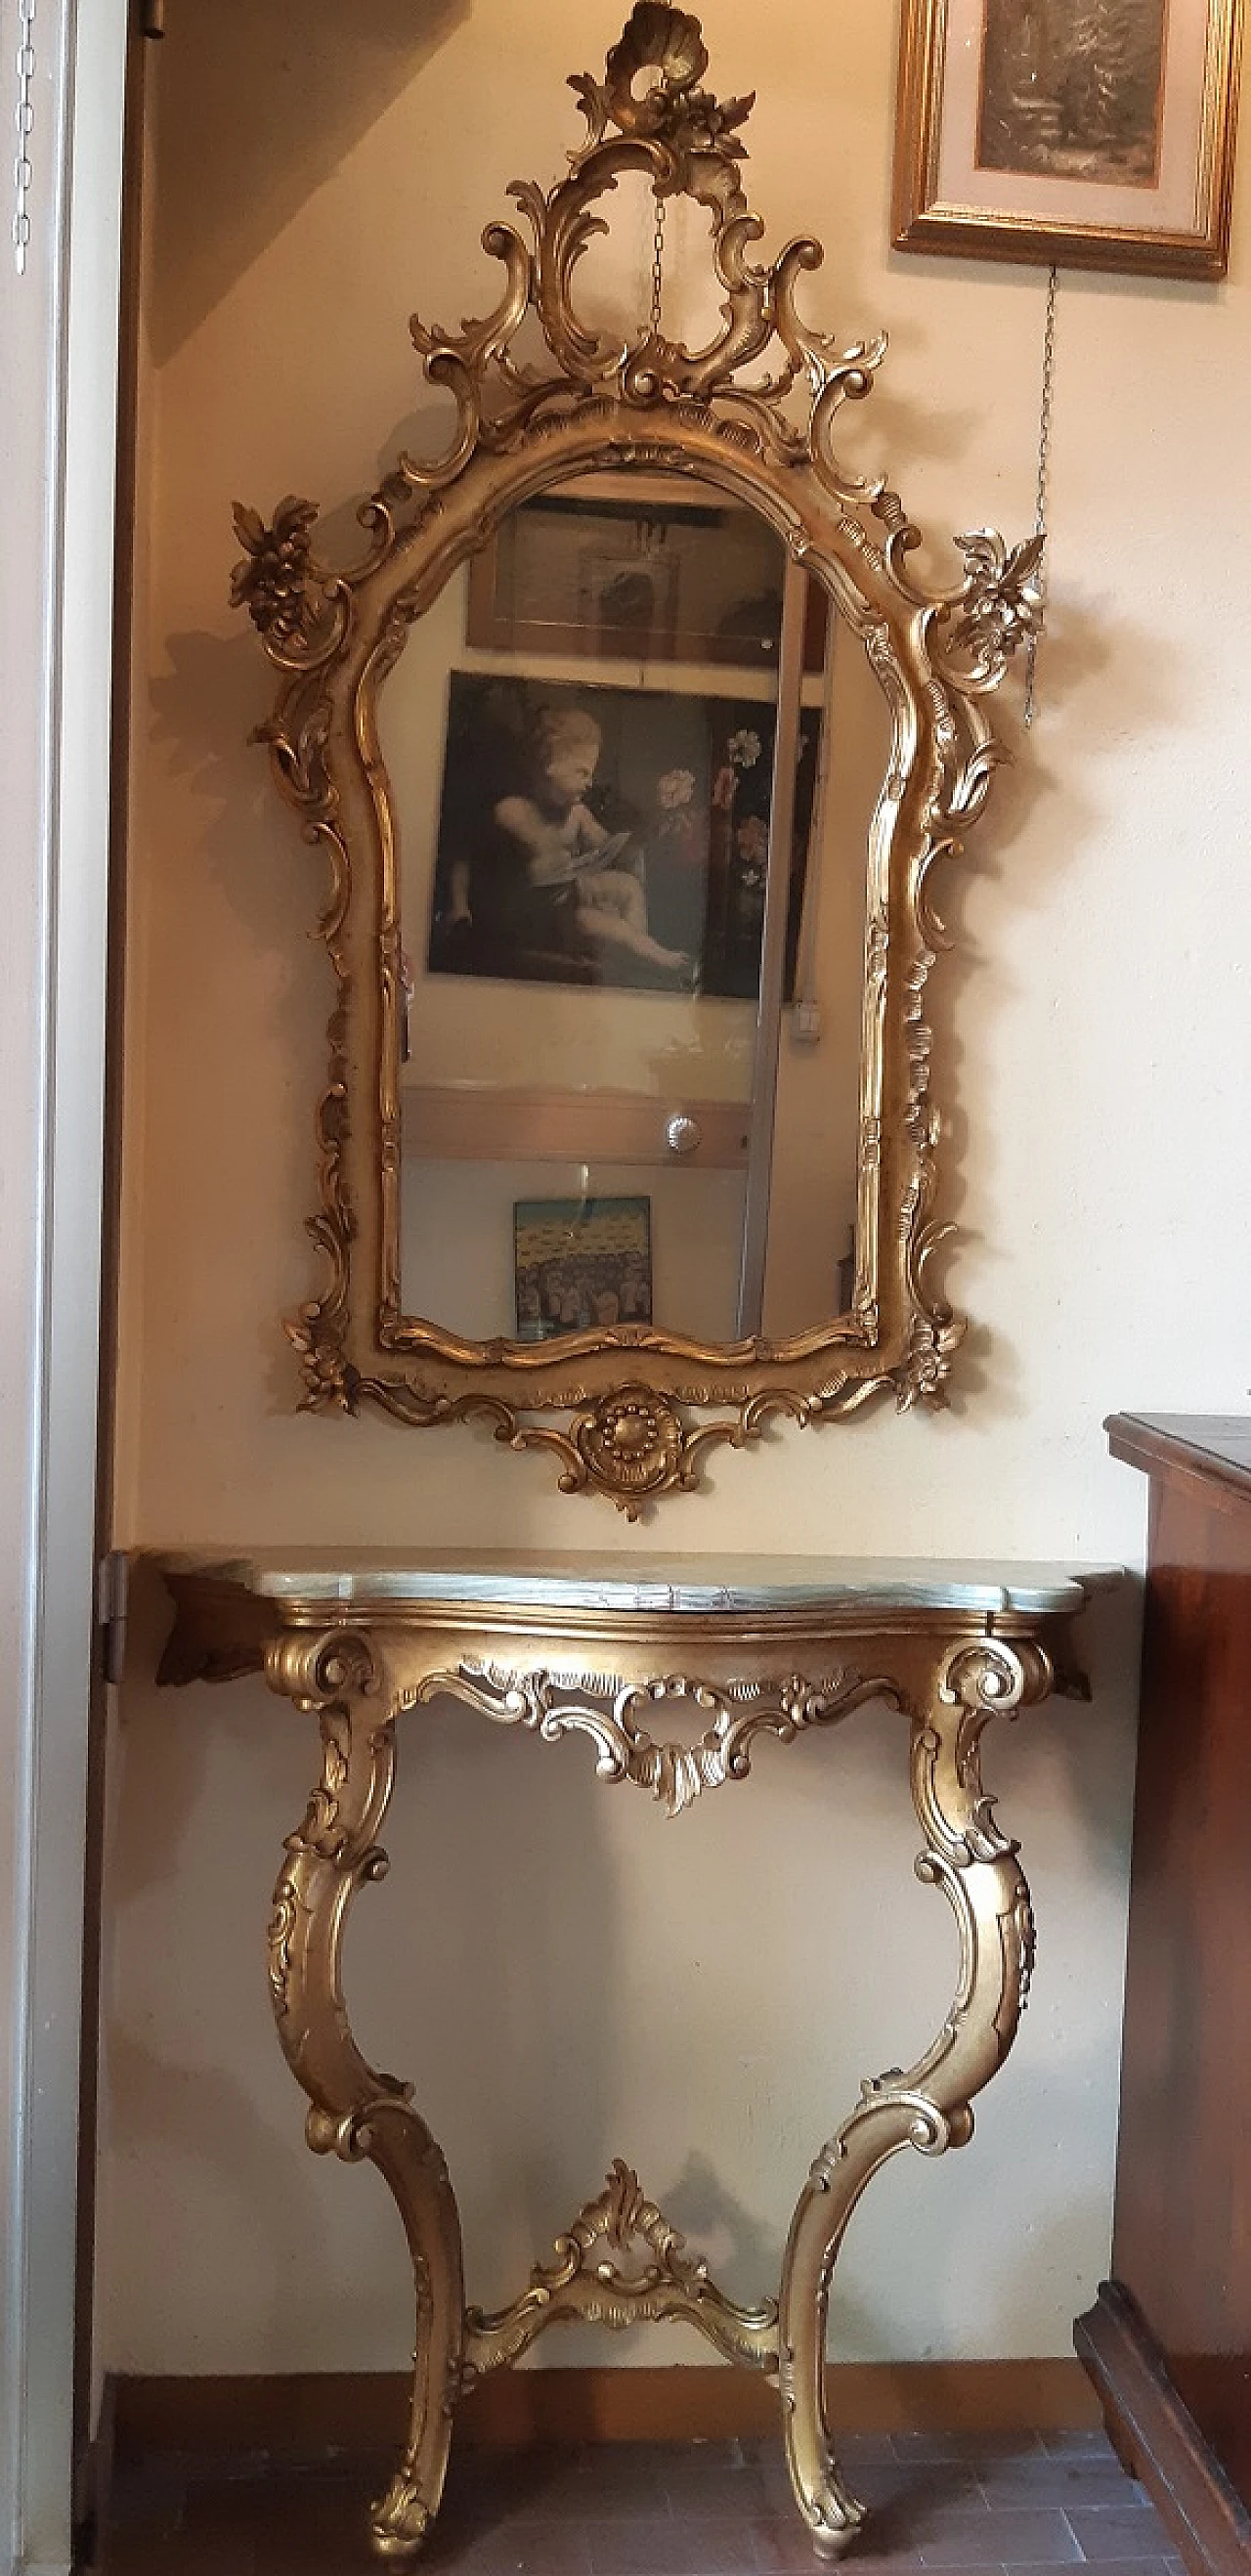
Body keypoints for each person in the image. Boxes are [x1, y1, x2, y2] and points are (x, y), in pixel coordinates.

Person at [451, 705, 690, 981]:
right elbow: (464, 856)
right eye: (582, 772)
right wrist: (460, 907)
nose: (590, 782)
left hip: (570, 896)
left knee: (629, 887)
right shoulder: (512, 811)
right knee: (604, 925)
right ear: (549, 765)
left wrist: (637, 835)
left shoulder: (577, 814)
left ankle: (635, 953)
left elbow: (606, 846)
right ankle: (650, 954)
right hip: (538, 918)